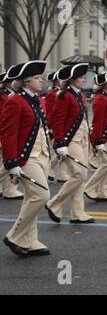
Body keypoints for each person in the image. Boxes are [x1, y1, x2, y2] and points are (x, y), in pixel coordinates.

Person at [0, 60, 51, 256]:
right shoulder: (15, 101)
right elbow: (8, 133)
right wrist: (11, 162)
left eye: (41, 77)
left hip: (42, 154)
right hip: (25, 157)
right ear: (26, 81)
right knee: (41, 195)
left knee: (32, 197)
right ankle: (14, 235)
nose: (41, 81)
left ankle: (30, 240)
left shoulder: (37, 99)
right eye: (37, 78)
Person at [45, 63, 94, 224]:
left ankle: (77, 213)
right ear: (71, 80)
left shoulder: (79, 95)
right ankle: (54, 203)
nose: (83, 80)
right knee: (80, 174)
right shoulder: (64, 96)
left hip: (82, 139)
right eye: (80, 77)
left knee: (79, 177)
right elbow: (57, 120)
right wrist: (60, 142)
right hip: (70, 140)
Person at [83, 72, 107, 202]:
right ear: (103, 85)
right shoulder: (100, 99)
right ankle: (89, 187)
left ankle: (103, 190)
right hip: (104, 137)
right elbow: (98, 122)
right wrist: (98, 141)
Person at [0, 72, 24, 200]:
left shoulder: (11, 95)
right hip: (4, 131)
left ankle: (8, 189)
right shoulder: (4, 96)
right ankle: (9, 189)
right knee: (9, 160)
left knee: (8, 160)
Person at [45, 70, 70, 183]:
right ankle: (53, 170)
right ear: (54, 82)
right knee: (59, 150)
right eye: (58, 80)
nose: (61, 82)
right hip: (54, 126)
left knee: (62, 151)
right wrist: (50, 126)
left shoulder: (64, 93)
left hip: (65, 126)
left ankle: (59, 172)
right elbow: (50, 112)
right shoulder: (52, 94)